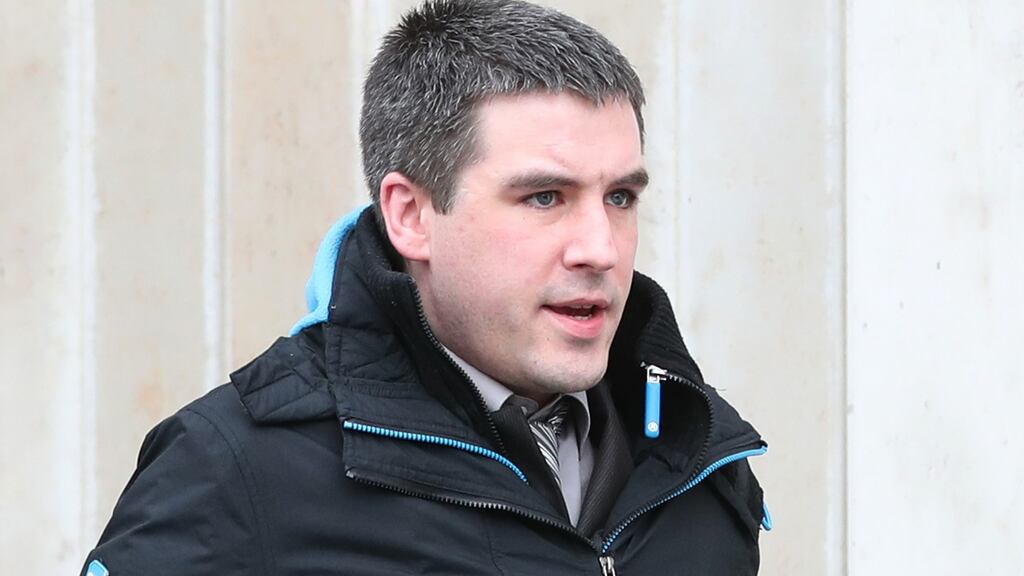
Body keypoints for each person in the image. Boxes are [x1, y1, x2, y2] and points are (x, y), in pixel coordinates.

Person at [82, 1, 768, 574]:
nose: (600, 248)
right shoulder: (238, 469)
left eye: (619, 197)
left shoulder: (699, 465)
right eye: (544, 198)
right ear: (411, 215)